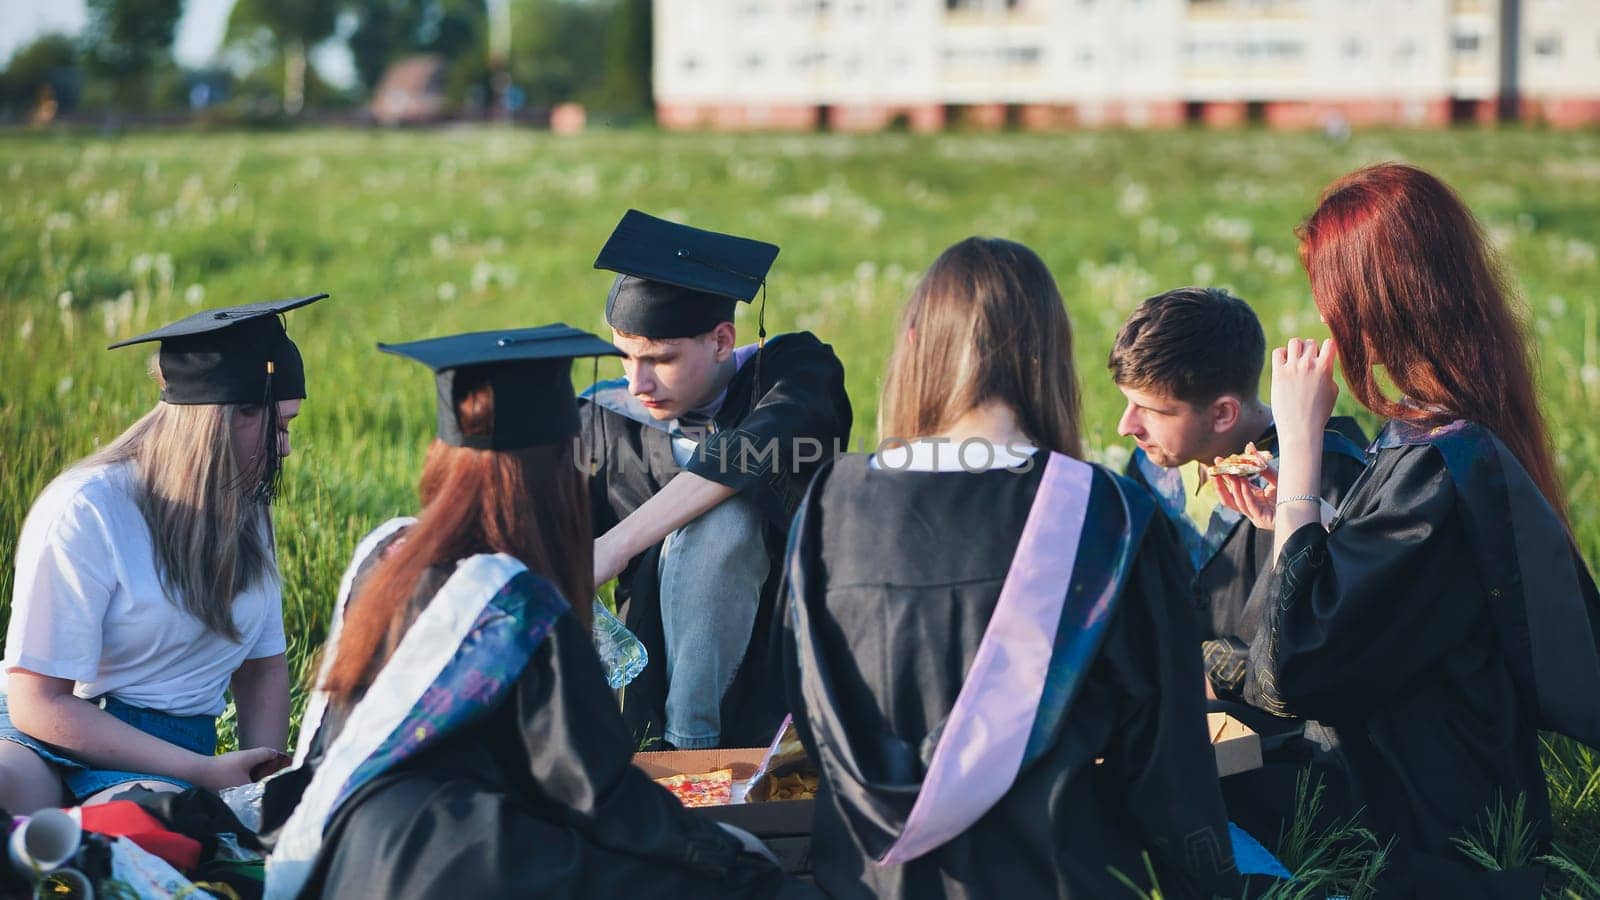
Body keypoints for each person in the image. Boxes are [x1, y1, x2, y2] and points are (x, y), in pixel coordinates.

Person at [263, 324, 805, 900]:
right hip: (459, 864)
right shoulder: (520, 606)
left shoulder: (388, 555)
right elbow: (599, 791)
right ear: (551, 474)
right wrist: (727, 853)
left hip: (347, 855)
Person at [780, 238, 1242, 899]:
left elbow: (810, 707)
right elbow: (1166, 765)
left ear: (913, 342)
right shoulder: (1103, 516)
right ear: (1051, 358)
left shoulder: (828, 503)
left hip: (868, 881)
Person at [1219, 163, 1600, 895]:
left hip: (1418, 835)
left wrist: (1300, 451)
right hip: (1438, 803)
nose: (1326, 324)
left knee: (1174, 790)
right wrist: (1306, 522)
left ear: (1376, 305)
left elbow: (1295, 669)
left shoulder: (1433, 466)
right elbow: (1394, 603)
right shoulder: (1455, 441)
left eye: (1331, 300)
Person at [0, 295, 325, 813]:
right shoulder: (88, 507)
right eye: (279, 426)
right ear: (223, 419)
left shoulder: (247, 511)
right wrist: (205, 772)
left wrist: (254, 784)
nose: (285, 448)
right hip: (44, 735)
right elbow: (37, 702)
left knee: (139, 836)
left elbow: (262, 668)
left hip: (167, 759)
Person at [582, 210, 852, 750]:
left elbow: (745, 453)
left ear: (723, 340)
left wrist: (614, 545)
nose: (638, 383)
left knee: (723, 515)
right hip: (653, 675)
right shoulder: (603, 418)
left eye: (661, 359)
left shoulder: (794, 374)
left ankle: (694, 755)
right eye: (625, 358)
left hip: (783, 659)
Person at [1109, 286, 1367, 837]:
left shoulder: (1327, 476)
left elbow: (1315, 660)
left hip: (1299, 761)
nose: (1126, 425)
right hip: (1187, 726)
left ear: (1224, 411)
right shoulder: (1154, 468)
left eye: (1150, 410)